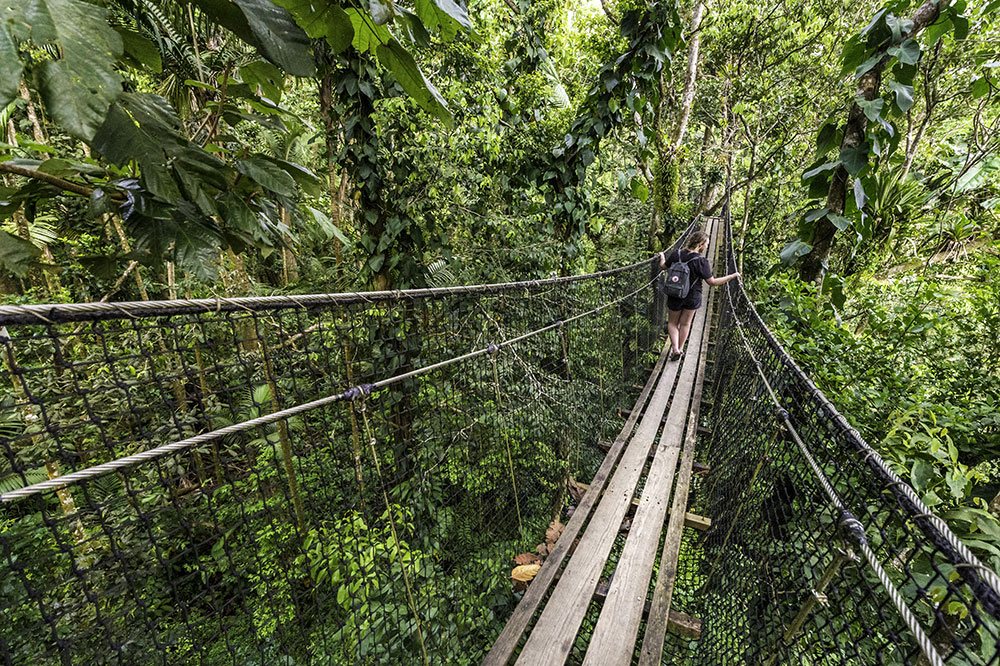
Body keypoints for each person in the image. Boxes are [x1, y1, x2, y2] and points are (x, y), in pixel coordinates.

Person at [659, 231, 739, 361]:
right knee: (685, 324)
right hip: (692, 297)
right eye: (706, 244)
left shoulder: (676, 254)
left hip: (675, 294)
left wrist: (662, 256)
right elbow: (712, 282)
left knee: (673, 322)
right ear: (700, 244)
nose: (707, 246)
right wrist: (732, 276)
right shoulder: (701, 261)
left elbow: (663, 267)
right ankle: (679, 349)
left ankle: (674, 349)